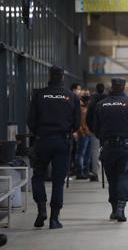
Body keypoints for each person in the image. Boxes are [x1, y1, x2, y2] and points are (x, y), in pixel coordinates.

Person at [27, 65, 81, 229]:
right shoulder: (71, 96)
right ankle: (54, 219)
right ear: (63, 77)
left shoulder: (39, 95)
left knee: (38, 175)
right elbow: (77, 123)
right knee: (58, 181)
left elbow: (30, 120)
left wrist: (38, 133)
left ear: (49, 76)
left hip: (42, 140)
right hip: (62, 142)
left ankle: (41, 210)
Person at [94, 78, 128, 222]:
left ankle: (114, 209)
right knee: (122, 175)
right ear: (124, 87)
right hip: (125, 147)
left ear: (112, 87)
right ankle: (121, 208)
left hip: (108, 147)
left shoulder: (101, 104)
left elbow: (95, 128)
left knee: (112, 179)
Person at [86, 83, 108, 182]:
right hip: (107, 130)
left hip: (94, 130)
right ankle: (109, 171)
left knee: (94, 151)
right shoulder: (108, 100)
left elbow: (88, 117)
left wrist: (91, 128)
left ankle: (95, 173)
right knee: (108, 150)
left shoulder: (92, 101)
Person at [75, 90, 92, 179]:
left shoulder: (88, 106)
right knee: (81, 153)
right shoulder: (79, 107)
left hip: (89, 133)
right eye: (85, 95)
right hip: (83, 133)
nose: (87, 96)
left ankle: (86, 171)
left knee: (88, 154)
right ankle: (79, 172)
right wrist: (81, 131)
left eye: (88, 95)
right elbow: (78, 121)